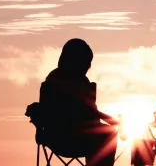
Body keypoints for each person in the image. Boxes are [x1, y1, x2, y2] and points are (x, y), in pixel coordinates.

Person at [37, 38, 119, 166]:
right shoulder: (65, 81)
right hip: (69, 138)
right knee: (109, 134)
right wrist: (115, 122)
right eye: (86, 62)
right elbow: (88, 112)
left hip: (55, 138)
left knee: (105, 134)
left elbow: (91, 113)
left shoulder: (54, 79)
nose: (88, 66)